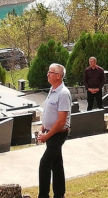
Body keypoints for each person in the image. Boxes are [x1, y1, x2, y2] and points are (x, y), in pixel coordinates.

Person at [38, 63, 71, 198]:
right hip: (50, 132)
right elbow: (48, 112)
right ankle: (59, 194)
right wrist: (42, 128)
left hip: (58, 134)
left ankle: (43, 195)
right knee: (57, 164)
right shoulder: (52, 90)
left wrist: (47, 136)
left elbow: (61, 121)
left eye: (50, 72)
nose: (47, 74)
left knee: (44, 164)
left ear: (58, 76)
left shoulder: (63, 93)